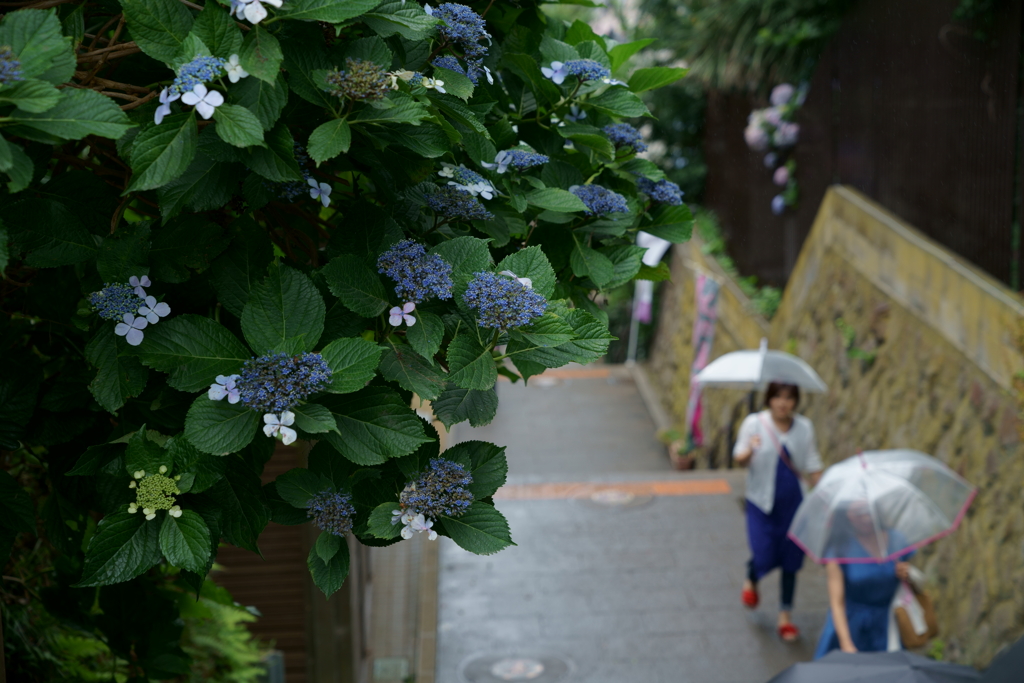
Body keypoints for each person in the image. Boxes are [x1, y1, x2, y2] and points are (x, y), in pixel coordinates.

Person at [733, 382, 823, 642]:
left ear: (796, 401)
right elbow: (739, 457)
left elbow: (812, 463)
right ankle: (752, 579)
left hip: (794, 504)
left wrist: (828, 490)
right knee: (763, 552)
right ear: (769, 399)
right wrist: (750, 449)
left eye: (789, 398)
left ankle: (785, 616)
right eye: (777, 397)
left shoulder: (804, 427)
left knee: (791, 561)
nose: (783, 403)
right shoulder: (754, 423)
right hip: (761, 503)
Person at [814, 500, 914, 655]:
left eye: (868, 510)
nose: (866, 517)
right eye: (858, 512)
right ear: (846, 515)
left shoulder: (897, 540)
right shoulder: (839, 548)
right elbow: (837, 603)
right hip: (851, 625)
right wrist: (846, 644)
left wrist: (908, 575)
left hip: (888, 625)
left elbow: (906, 590)